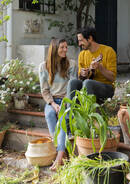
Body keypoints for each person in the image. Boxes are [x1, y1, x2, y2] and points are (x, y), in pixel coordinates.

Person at [39, 38, 77, 171]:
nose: (65, 50)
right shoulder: (43, 67)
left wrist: (64, 103)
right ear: (55, 49)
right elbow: (44, 90)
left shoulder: (71, 64)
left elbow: (72, 87)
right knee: (49, 114)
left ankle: (59, 156)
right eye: (62, 47)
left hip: (67, 100)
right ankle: (62, 151)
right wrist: (53, 104)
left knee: (62, 121)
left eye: (66, 47)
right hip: (52, 100)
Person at [67, 27, 117, 102]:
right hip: (87, 86)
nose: (79, 44)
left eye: (81, 40)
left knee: (88, 83)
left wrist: (100, 67)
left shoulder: (108, 51)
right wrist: (83, 74)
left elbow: (112, 78)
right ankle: (70, 112)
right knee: (72, 82)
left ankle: (88, 112)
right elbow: (81, 78)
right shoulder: (82, 54)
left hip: (107, 88)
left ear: (90, 38)